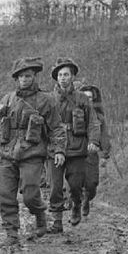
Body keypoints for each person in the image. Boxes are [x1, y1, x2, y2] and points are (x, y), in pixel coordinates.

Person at [0, 57, 66, 246]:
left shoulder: (46, 100)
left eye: (28, 76)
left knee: (31, 195)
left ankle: (40, 214)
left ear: (34, 76)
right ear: (16, 79)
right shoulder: (8, 99)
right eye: (21, 76)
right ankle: (11, 233)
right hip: (6, 153)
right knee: (5, 195)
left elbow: (56, 128)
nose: (24, 79)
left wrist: (59, 150)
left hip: (32, 154)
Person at [46, 57, 101, 232]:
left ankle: (76, 204)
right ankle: (57, 221)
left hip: (77, 148)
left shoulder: (82, 99)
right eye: (60, 75)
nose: (63, 78)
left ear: (72, 76)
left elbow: (92, 122)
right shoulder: (49, 99)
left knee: (76, 185)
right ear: (56, 78)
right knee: (55, 187)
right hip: (55, 149)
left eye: (66, 74)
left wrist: (93, 141)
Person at [78, 84, 111, 217]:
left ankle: (87, 197)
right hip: (74, 152)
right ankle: (77, 201)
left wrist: (104, 155)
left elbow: (104, 136)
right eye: (85, 97)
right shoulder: (74, 113)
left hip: (92, 152)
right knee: (74, 181)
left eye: (90, 98)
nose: (88, 100)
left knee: (91, 183)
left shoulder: (99, 118)